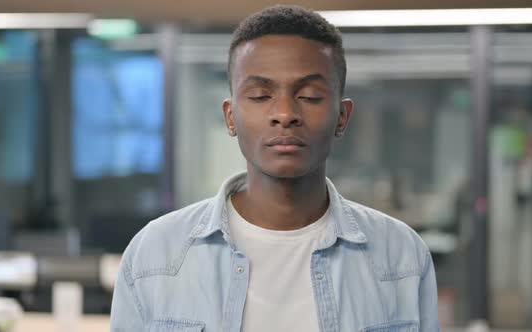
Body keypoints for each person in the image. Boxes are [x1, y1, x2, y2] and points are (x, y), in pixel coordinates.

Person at [111, 5, 439, 332]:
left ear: (342, 116)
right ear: (230, 116)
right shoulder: (154, 256)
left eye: (310, 96)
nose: (284, 113)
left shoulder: (402, 257)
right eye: (259, 95)